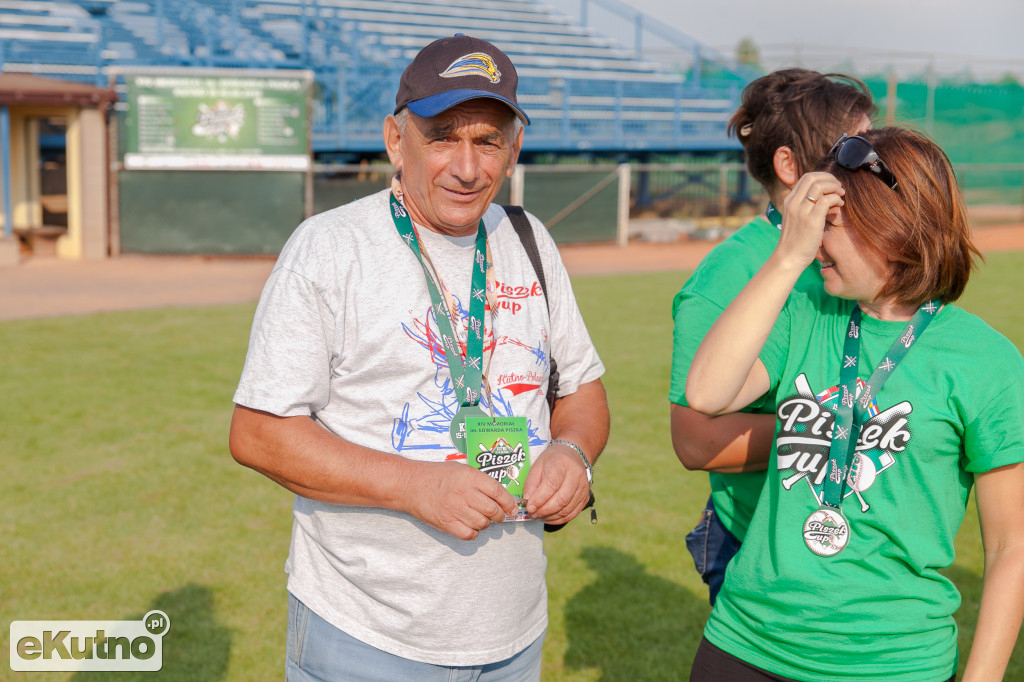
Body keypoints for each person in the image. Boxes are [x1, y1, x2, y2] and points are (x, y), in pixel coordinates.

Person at [229, 34, 609, 680]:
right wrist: (415, 488)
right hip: (366, 638)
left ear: (513, 149)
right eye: (442, 137)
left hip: (513, 636)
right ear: (394, 140)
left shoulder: (528, 238)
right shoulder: (330, 247)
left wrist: (572, 454)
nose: (467, 167)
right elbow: (258, 433)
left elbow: (583, 391)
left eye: (487, 140)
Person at [685, 126, 1024, 681]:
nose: (816, 241)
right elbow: (706, 392)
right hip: (747, 644)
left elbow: (1013, 545)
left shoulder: (985, 361)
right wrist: (785, 260)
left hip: (893, 664)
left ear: (892, 228)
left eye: (830, 226)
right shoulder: (803, 311)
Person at [669, 69, 875, 604]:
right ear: (788, 166)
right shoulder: (727, 275)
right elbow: (695, 441)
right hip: (753, 538)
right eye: (850, 150)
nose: (870, 163)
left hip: (847, 533)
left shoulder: (862, 255)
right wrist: (835, 432)